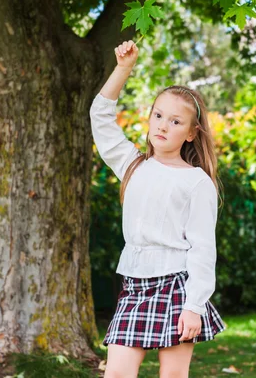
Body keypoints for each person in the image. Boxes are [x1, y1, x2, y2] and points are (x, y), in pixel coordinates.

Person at [89, 40, 226, 378]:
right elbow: (100, 117)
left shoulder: (197, 182)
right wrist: (123, 69)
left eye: (176, 122)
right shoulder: (132, 165)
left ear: (192, 133)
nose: (163, 126)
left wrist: (194, 307)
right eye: (159, 115)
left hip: (177, 286)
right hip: (134, 285)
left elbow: (203, 249)